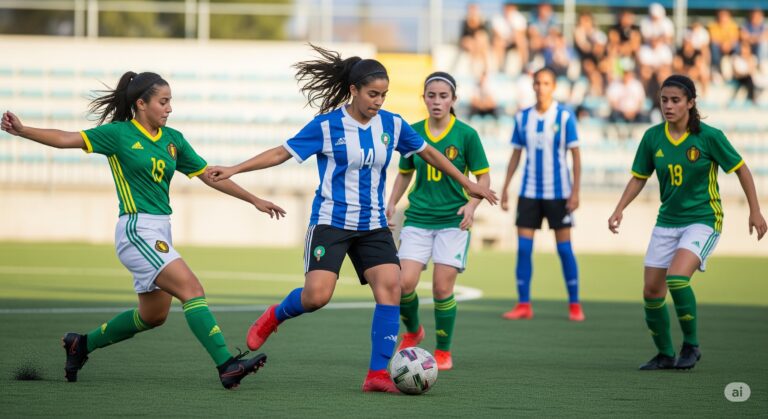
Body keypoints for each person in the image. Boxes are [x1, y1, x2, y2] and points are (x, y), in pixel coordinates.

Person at [205, 45, 497, 393]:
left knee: (391, 288)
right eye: (373, 94)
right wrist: (236, 168)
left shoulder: (392, 124)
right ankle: (275, 315)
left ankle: (376, 375)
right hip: (331, 220)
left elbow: (429, 153)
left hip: (373, 224)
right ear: (354, 90)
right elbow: (282, 152)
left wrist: (466, 182)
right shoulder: (327, 126)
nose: (379, 101)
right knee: (316, 296)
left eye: (384, 95)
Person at [0, 71, 286, 388]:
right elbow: (67, 138)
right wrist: (23, 130)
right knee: (192, 289)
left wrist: (253, 199)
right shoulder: (118, 134)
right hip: (136, 229)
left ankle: (81, 344)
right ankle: (227, 365)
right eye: (163, 102)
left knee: (153, 315)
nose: (169, 108)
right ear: (141, 103)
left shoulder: (173, 139)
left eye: (170, 102)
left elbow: (208, 174)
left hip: (160, 231)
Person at [607, 74, 767, 370]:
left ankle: (691, 345)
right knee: (651, 292)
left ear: (691, 103)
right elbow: (639, 178)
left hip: (703, 219)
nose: (668, 106)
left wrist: (755, 210)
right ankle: (665, 354)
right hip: (667, 221)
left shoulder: (709, 136)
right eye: (664, 100)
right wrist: (619, 209)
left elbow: (742, 170)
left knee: (677, 279)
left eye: (675, 100)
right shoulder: (652, 137)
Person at [385, 72, 490, 371]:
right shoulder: (413, 131)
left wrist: (472, 205)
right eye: (431, 95)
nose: (437, 101)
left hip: (452, 222)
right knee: (403, 283)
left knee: (442, 289)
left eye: (443, 96)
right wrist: (392, 202)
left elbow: (483, 177)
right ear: (424, 98)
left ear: (453, 100)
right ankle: (414, 331)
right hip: (417, 218)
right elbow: (405, 172)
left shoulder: (467, 135)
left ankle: (443, 350)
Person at [499, 67, 584, 322]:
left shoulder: (565, 116)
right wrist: (505, 187)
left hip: (559, 194)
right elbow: (516, 154)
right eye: (537, 83)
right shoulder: (522, 117)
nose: (540, 87)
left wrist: (575, 191)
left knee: (565, 250)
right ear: (533, 86)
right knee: (524, 249)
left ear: (553, 86)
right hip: (529, 193)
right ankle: (524, 304)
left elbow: (575, 155)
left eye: (546, 83)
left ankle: (574, 305)